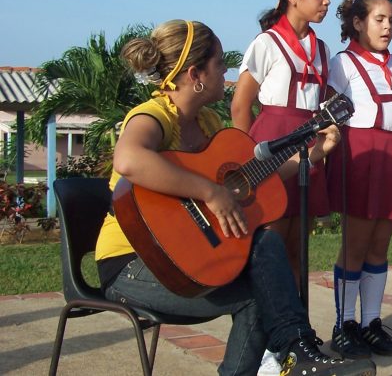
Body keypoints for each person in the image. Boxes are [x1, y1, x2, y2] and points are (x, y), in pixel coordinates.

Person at [97, 19, 375, 376]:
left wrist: (316, 152)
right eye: (218, 63)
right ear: (196, 73)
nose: (226, 69)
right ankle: (298, 351)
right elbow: (129, 159)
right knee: (262, 294)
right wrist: (210, 192)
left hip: (185, 257)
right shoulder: (154, 115)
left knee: (264, 254)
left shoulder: (210, 123)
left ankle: (297, 350)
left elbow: (252, 180)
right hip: (131, 264)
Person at [326, 0, 392, 359]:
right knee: (356, 244)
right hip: (360, 156)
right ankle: (344, 324)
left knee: (380, 245)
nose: (388, 26)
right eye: (379, 18)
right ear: (358, 22)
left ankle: (371, 323)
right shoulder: (342, 63)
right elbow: (328, 114)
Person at [231, 0, 332, 290]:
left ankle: (295, 329)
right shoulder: (267, 43)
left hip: (308, 143)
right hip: (270, 144)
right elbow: (240, 105)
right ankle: (266, 334)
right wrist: (247, 164)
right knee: (269, 245)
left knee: (297, 247)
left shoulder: (322, 49)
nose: (326, 1)